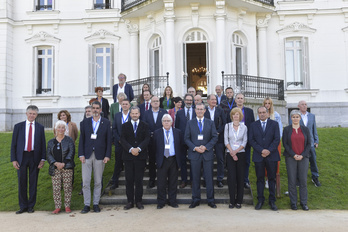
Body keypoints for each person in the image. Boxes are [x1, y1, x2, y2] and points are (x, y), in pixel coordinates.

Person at [11, 105, 46, 214]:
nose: (32, 115)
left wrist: (43, 159)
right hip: (22, 157)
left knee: (33, 182)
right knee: (22, 182)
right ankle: (23, 206)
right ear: (26, 114)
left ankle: (31, 206)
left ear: (37, 115)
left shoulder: (40, 127)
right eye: (30, 113)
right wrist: (14, 159)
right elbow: (13, 145)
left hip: (35, 157)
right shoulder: (18, 126)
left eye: (34, 114)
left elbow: (43, 144)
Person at [78, 101, 112, 213]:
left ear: (101, 110)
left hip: (100, 156)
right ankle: (86, 205)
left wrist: (107, 155)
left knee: (98, 181)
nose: (95, 110)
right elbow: (81, 140)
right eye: (94, 108)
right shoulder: (84, 123)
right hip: (87, 155)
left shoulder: (106, 123)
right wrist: (81, 154)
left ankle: (96, 203)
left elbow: (108, 141)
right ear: (91, 110)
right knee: (86, 181)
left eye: (97, 108)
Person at [185, 103, 218, 209]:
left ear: (205, 111)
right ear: (195, 111)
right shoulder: (190, 123)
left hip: (207, 154)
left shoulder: (210, 122)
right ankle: (195, 199)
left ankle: (211, 200)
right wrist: (195, 147)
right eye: (197, 109)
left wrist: (206, 147)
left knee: (209, 178)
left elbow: (214, 137)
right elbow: (186, 138)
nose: (199, 111)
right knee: (195, 178)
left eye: (201, 109)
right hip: (195, 154)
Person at [249, 106, 280, 211]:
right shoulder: (253, 125)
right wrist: (261, 150)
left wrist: (268, 151)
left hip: (272, 156)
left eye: (263, 112)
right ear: (258, 114)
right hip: (259, 156)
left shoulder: (274, 124)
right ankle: (260, 200)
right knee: (260, 179)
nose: (262, 114)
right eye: (260, 112)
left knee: (272, 179)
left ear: (267, 113)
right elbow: (251, 140)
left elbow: (276, 139)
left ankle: (272, 201)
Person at [120, 106, 150, 210]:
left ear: (139, 114)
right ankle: (130, 201)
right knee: (129, 180)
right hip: (128, 157)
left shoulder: (145, 125)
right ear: (130, 114)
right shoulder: (125, 126)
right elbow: (122, 139)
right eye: (132, 113)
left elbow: (147, 139)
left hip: (140, 157)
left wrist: (139, 148)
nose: (134, 115)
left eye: (136, 113)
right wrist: (131, 149)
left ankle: (138, 201)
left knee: (139, 180)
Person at [283, 110, 311, 211]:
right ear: (291, 118)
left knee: (303, 181)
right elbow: (285, 144)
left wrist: (302, 155)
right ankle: (293, 203)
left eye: (297, 117)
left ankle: (304, 203)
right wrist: (294, 154)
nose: (295, 119)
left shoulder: (305, 129)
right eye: (293, 117)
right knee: (292, 181)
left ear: (300, 118)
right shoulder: (286, 129)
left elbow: (309, 144)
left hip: (303, 158)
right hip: (291, 158)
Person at [47, 120, 75, 214]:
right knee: (56, 188)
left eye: (63, 127)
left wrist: (64, 163)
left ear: (65, 129)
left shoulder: (69, 140)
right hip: (55, 168)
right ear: (56, 129)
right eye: (59, 127)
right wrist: (55, 163)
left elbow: (71, 152)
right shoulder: (51, 142)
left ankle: (67, 206)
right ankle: (57, 207)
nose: (61, 129)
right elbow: (48, 155)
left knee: (67, 187)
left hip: (67, 167)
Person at [154, 114, 182, 209]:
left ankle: (172, 201)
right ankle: (161, 202)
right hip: (162, 160)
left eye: (168, 121)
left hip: (173, 159)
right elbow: (153, 148)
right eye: (164, 121)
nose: (166, 122)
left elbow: (181, 146)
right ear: (162, 122)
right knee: (161, 182)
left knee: (173, 182)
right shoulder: (157, 133)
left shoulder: (177, 132)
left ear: (171, 122)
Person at [224, 108, 248, 209]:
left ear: (240, 116)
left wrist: (236, 151)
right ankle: (232, 201)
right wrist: (232, 153)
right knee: (231, 178)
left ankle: (239, 201)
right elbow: (226, 140)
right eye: (234, 114)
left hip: (241, 154)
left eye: (237, 114)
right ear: (232, 116)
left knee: (240, 177)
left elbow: (244, 141)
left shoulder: (244, 127)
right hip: (230, 154)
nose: (236, 116)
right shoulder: (227, 126)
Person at [143, 95, 167, 188]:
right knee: (152, 161)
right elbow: (144, 126)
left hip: (162, 140)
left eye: (157, 101)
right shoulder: (145, 113)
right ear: (151, 103)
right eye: (154, 101)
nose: (156, 102)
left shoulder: (164, 112)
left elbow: (166, 125)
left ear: (159, 102)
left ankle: (163, 180)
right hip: (150, 141)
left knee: (162, 161)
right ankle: (152, 179)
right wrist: (150, 134)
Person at [204, 94, 226, 188]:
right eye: (212, 100)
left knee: (220, 159)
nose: (214, 101)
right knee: (207, 160)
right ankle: (206, 179)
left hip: (218, 138)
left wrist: (218, 132)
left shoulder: (220, 110)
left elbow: (224, 123)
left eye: (215, 100)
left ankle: (219, 179)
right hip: (207, 139)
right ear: (208, 101)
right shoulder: (204, 110)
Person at [297, 100, 321, 187]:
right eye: (302, 104)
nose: (304, 106)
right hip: (299, 143)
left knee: (313, 160)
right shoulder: (296, 116)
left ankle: (315, 177)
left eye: (305, 104)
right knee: (299, 161)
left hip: (310, 143)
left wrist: (316, 141)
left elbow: (314, 129)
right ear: (298, 106)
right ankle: (299, 179)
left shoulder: (312, 116)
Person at [175, 93, 196, 188]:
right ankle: (184, 180)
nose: (189, 102)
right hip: (182, 141)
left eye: (190, 100)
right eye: (187, 100)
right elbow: (177, 127)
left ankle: (192, 180)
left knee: (193, 161)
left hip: (193, 141)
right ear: (184, 101)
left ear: (193, 101)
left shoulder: (196, 112)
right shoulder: (179, 113)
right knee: (182, 161)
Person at [234, 93, 255, 189]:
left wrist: (250, 140)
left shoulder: (249, 111)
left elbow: (252, 126)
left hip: (246, 141)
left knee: (246, 162)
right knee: (235, 162)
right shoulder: (231, 111)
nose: (240, 100)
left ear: (244, 100)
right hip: (234, 142)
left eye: (241, 98)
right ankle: (236, 180)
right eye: (238, 98)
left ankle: (245, 180)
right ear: (235, 100)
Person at [261, 97, 282, 190]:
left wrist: (276, 141)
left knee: (274, 161)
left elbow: (280, 130)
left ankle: (273, 179)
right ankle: (266, 179)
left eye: (269, 103)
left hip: (274, 142)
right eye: (265, 103)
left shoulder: (276, 115)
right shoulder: (261, 114)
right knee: (264, 160)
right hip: (264, 142)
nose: (267, 105)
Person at [110, 99, 131, 189]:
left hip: (130, 144)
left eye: (126, 104)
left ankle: (129, 182)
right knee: (118, 163)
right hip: (119, 143)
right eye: (123, 104)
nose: (125, 105)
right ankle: (115, 182)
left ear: (129, 105)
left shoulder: (132, 115)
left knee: (129, 164)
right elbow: (114, 129)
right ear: (121, 105)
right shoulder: (117, 115)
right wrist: (119, 139)